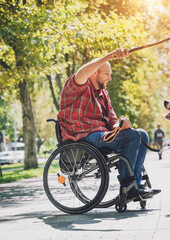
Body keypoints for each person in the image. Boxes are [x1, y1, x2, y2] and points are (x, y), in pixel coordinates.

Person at [57, 48, 160, 200]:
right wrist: (111, 55)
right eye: (107, 74)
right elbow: (83, 72)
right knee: (132, 137)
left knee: (141, 134)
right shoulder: (77, 86)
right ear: (94, 73)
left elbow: (112, 120)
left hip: (101, 135)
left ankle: (135, 185)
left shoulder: (103, 93)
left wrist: (121, 125)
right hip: (83, 136)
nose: (109, 78)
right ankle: (127, 184)